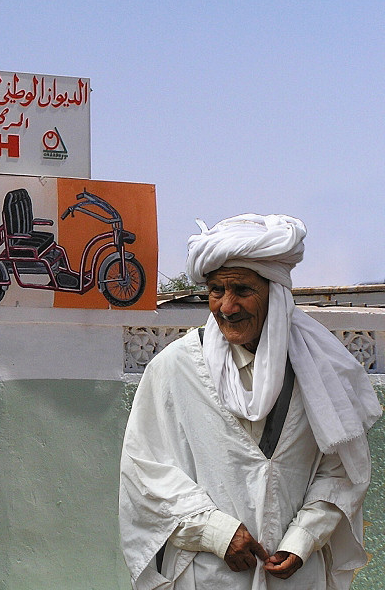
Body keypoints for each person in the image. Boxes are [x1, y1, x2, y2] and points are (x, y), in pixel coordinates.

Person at [119, 214, 381, 589]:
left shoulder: (322, 368)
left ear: (275, 293)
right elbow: (144, 471)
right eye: (215, 291)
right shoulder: (175, 369)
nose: (227, 307)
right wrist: (215, 531)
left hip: (296, 576)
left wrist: (304, 537)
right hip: (209, 576)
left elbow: (342, 468)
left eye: (242, 290)